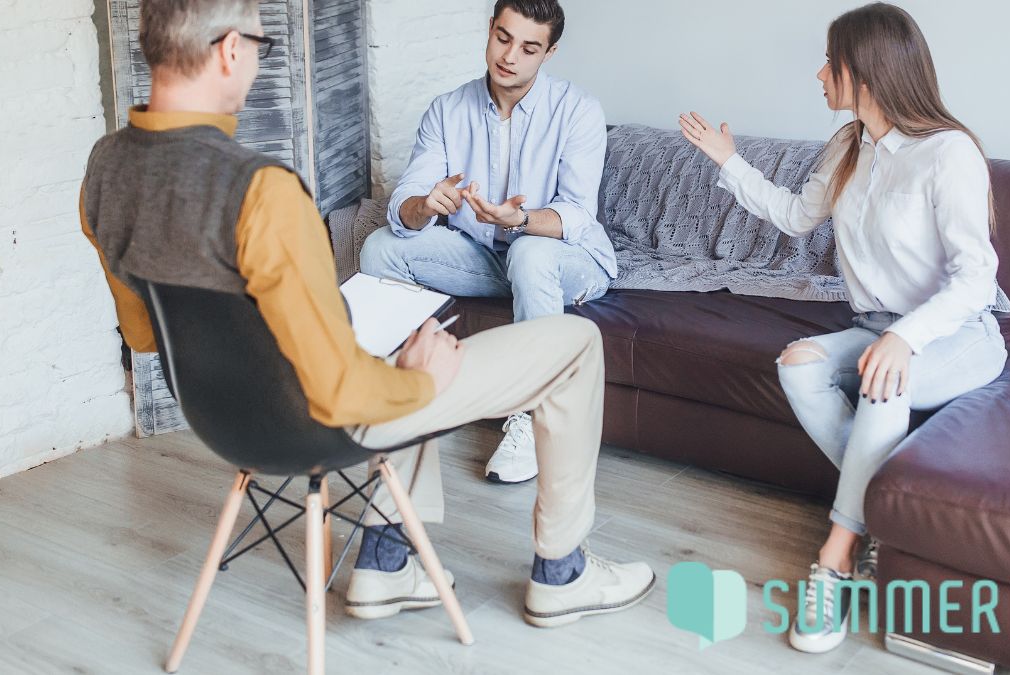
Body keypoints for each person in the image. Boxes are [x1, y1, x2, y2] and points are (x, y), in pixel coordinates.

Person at [81, 0, 652, 629]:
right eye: (261, 47)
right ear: (228, 50)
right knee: (572, 342)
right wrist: (420, 379)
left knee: (404, 340)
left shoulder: (103, 170)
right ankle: (562, 575)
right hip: (323, 422)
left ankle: (387, 564)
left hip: (222, 425)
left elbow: (143, 333)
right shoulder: (263, 191)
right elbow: (343, 388)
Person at [680, 2, 1008, 653]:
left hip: (958, 332)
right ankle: (882, 508)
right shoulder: (848, 146)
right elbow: (797, 216)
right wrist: (729, 161)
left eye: (831, 62)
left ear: (866, 71)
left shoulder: (948, 153)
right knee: (797, 362)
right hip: (875, 325)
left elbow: (975, 277)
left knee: (885, 378)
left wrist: (906, 338)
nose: (820, 74)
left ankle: (835, 557)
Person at [359, 0, 616, 485]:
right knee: (379, 247)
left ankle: (532, 418)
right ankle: (395, 396)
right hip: (485, 258)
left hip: (568, 260)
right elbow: (404, 208)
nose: (510, 56)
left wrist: (517, 218)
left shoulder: (578, 110)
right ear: (490, 29)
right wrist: (426, 205)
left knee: (530, 251)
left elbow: (578, 217)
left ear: (549, 52)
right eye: (503, 37)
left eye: (528, 47)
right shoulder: (447, 109)